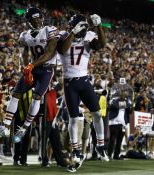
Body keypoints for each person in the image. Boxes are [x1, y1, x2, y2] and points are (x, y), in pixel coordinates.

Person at [0, 7, 59, 143]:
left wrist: (31, 65)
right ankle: (6, 126)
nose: (36, 21)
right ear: (29, 21)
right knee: (15, 93)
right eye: (33, 19)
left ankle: (24, 127)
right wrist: (27, 68)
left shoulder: (50, 30)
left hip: (46, 69)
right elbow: (25, 53)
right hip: (34, 68)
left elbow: (49, 53)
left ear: (42, 18)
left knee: (36, 97)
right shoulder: (25, 35)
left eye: (38, 18)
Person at [57, 13, 108, 172]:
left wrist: (99, 26)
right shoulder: (64, 36)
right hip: (69, 82)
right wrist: (73, 32)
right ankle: (77, 151)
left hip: (84, 81)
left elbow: (101, 45)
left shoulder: (89, 36)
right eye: (81, 27)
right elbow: (63, 49)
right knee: (73, 118)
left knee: (97, 113)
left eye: (85, 28)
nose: (84, 31)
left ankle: (100, 145)